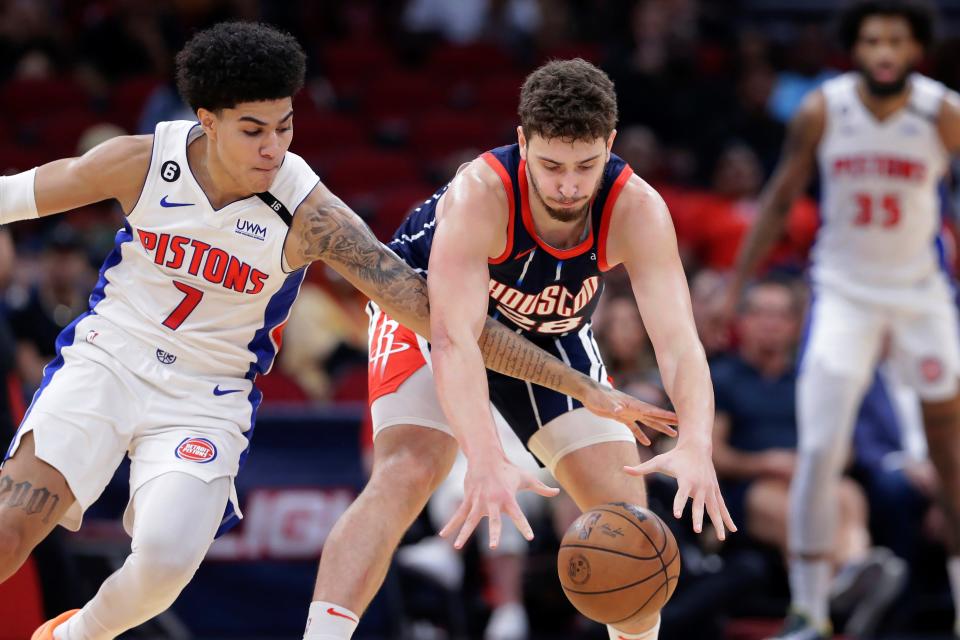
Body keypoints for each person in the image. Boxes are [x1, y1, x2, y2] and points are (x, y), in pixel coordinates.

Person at [0, 23, 674, 640]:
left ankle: (70, 636)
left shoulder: (310, 212)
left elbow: (442, 323)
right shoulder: (140, 162)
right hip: (107, 361)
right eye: (253, 130)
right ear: (206, 121)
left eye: (285, 126)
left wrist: (575, 384)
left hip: (205, 396)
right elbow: (14, 195)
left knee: (165, 565)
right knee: (12, 528)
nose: (274, 147)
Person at [305, 58, 734, 640]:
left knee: (628, 522)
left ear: (610, 145)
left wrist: (697, 443)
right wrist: (483, 458)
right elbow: (457, 339)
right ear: (522, 141)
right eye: (551, 165)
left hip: (549, 330)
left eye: (586, 166)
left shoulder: (637, 208)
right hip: (431, 315)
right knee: (409, 470)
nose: (568, 185)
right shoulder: (480, 193)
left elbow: (679, 342)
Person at [722, 2, 960, 638]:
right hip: (843, 293)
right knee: (821, 448)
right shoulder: (823, 108)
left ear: (916, 49)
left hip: (921, 293)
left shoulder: (942, 111)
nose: (884, 50)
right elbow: (777, 199)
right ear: (855, 46)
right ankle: (809, 609)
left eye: (897, 39)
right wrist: (735, 285)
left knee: (951, 455)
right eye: (873, 39)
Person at [712, 278, 906, 637]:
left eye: (781, 315)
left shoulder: (808, 379)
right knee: (791, 507)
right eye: (761, 313)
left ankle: (850, 575)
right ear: (744, 322)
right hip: (750, 487)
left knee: (848, 494)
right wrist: (764, 463)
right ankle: (832, 600)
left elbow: (845, 448)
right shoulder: (722, 377)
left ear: (795, 325)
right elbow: (713, 452)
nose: (771, 323)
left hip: (811, 475)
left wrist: (817, 463)